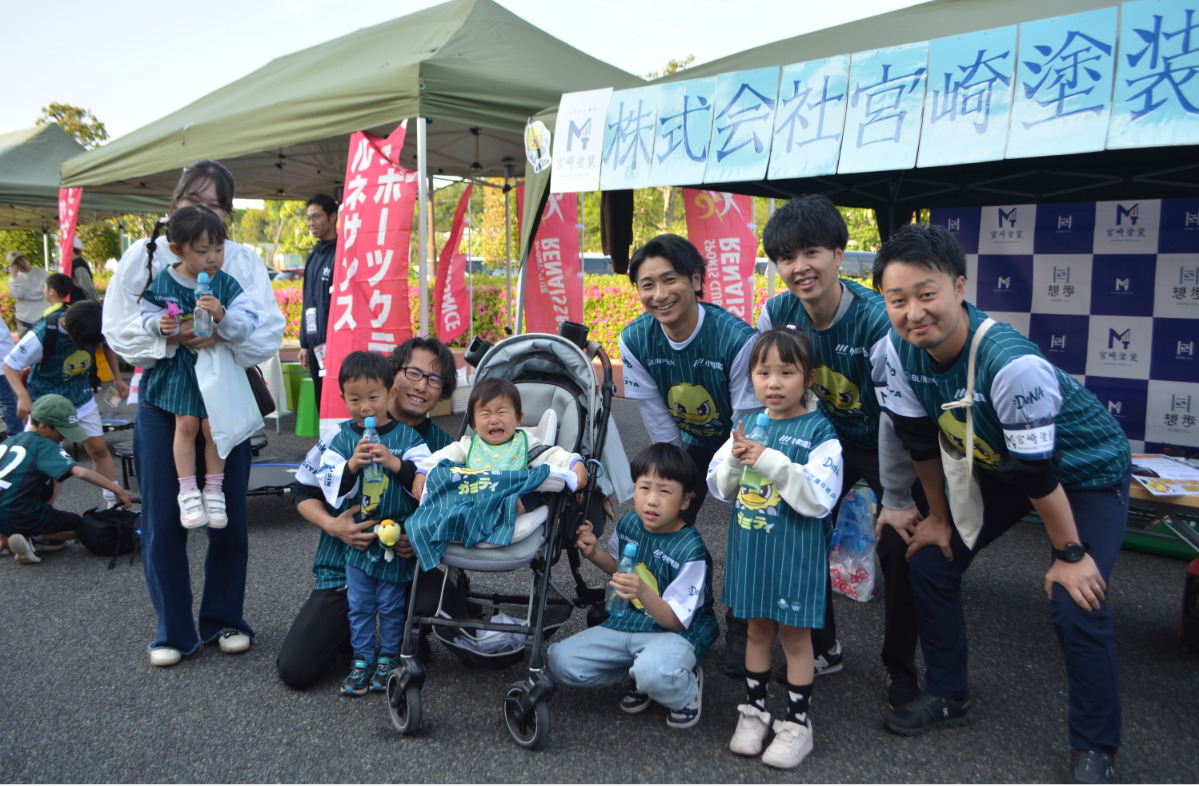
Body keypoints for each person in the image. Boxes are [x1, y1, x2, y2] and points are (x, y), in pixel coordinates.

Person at [872, 223, 1130, 785]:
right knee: (931, 559)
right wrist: (938, 519)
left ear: (959, 287)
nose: (913, 311)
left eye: (926, 293)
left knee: (1075, 596)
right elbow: (920, 442)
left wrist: (1069, 552)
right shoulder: (893, 353)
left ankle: (1095, 746)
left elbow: (1040, 472)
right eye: (898, 300)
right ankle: (948, 694)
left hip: (1084, 474)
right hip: (1000, 467)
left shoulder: (1013, 365)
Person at [101, 159, 285, 668]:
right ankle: (173, 631)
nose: (202, 211)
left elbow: (268, 329)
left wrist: (222, 332)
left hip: (224, 401)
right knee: (163, 517)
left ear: (227, 211)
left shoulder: (240, 259)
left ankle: (225, 619)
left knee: (228, 515)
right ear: (174, 202)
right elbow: (117, 328)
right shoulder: (146, 256)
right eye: (193, 199)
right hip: (164, 402)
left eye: (214, 203)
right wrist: (169, 336)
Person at [758, 195, 925, 704]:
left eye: (811, 252)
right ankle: (822, 645)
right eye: (786, 257)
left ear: (838, 252)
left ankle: (901, 669)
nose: (799, 267)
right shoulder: (778, 310)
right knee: (794, 522)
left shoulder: (878, 320)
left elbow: (902, 414)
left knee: (902, 545)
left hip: (888, 441)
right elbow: (774, 388)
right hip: (824, 440)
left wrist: (895, 498)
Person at [278, 336, 457, 690]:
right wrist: (333, 524)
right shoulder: (343, 435)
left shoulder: (442, 444)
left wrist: (420, 538)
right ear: (393, 378)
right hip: (345, 560)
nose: (421, 385)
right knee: (296, 669)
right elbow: (302, 489)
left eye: (434, 379)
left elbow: (452, 505)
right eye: (414, 372)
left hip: (406, 564)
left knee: (461, 626)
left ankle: (403, 638)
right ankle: (358, 640)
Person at [707, 327, 843, 770]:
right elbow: (720, 488)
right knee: (756, 632)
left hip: (795, 556)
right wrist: (732, 457)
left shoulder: (821, 431)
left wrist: (766, 458)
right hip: (752, 552)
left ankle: (798, 723)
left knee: (796, 638)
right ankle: (754, 712)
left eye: (787, 371)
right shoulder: (749, 423)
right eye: (763, 372)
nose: (774, 382)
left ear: (809, 376)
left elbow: (819, 497)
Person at [547, 442, 718, 730]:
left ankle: (683, 687)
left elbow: (676, 621)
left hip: (675, 633)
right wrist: (593, 554)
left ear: (686, 500)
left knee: (655, 671)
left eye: (664, 491)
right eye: (644, 488)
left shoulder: (692, 550)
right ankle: (641, 674)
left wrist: (641, 591)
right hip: (627, 622)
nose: (652, 500)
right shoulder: (630, 524)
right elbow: (620, 567)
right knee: (560, 661)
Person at [618, 233, 758, 523]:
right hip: (693, 440)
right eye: (647, 285)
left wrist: (724, 477)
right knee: (666, 514)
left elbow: (747, 420)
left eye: (670, 280)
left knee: (755, 520)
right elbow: (657, 419)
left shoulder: (737, 340)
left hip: (748, 438)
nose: (659, 294)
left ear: (695, 281)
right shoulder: (634, 340)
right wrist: (674, 478)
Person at [138, 205, 258, 529]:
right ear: (177, 249)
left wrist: (222, 316)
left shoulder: (226, 284)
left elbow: (248, 323)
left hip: (217, 371)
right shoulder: (163, 282)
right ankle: (188, 491)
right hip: (180, 371)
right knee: (187, 425)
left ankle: (214, 490)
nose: (212, 259)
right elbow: (145, 316)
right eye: (202, 251)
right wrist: (157, 325)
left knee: (212, 427)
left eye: (218, 249)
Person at [4, 300, 128, 509]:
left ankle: (114, 503)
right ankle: (37, 511)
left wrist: (118, 378)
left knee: (98, 448)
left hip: (80, 397)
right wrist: (22, 395)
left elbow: (106, 345)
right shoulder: (43, 334)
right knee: (46, 459)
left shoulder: (96, 324)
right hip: (48, 404)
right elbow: (9, 364)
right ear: (72, 330)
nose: (89, 347)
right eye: (87, 344)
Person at [0, 394, 132, 564]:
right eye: (62, 431)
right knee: (80, 525)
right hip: (20, 513)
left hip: (6, 511)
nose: (64, 437)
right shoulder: (44, 445)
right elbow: (81, 472)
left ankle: (5, 538)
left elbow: (58, 477)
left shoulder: (10, 441)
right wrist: (118, 490)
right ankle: (31, 537)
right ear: (43, 427)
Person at [411, 378, 588, 502]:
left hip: (514, 497)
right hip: (475, 500)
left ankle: (512, 509)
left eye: (502, 412)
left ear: (519, 418)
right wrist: (423, 472)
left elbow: (551, 455)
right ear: (473, 423)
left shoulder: (525, 442)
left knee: (534, 491)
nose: (494, 420)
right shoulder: (469, 445)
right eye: (485, 414)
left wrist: (574, 463)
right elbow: (442, 456)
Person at [299, 194, 339, 407]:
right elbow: (308, 302)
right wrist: (304, 343)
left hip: (336, 344)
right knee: (321, 402)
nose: (311, 222)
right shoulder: (313, 256)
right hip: (315, 346)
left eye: (316, 216)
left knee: (338, 401)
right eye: (308, 218)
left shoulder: (341, 253)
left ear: (332, 217)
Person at [7, 251, 49, 335]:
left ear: (25, 259)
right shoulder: (14, 280)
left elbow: (44, 292)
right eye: (16, 263)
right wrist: (14, 277)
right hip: (23, 321)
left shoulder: (41, 272)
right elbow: (17, 294)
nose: (21, 264)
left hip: (42, 319)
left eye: (21, 260)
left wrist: (25, 294)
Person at [69, 237, 100, 303]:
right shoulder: (72, 265)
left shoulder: (79, 266)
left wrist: (96, 305)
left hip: (81, 309)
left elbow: (89, 289)